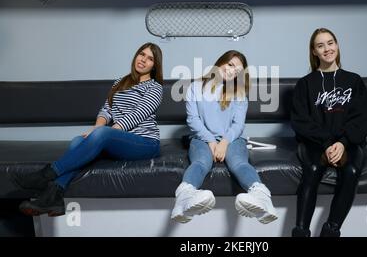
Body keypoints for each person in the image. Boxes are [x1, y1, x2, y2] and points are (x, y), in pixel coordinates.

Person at [12, 43, 164, 217]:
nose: (143, 60)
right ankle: (54, 197)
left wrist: (107, 133)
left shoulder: (155, 87)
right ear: (136, 55)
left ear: (155, 65)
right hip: (120, 139)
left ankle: (47, 174)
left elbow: (138, 114)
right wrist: (97, 128)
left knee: (102, 134)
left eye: (150, 58)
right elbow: (107, 110)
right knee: (78, 141)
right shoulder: (120, 82)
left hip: (145, 143)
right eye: (141, 54)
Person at [171, 50, 278, 224]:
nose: (232, 71)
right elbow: (193, 119)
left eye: (238, 71)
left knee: (239, 163)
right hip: (202, 138)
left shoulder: (239, 92)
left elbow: (238, 125)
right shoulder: (196, 87)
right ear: (221, 62)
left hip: (232, 139)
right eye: (230, 65)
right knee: (201, 163)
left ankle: (262, 198)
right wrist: (211, 141)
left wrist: (224, 143)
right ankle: (184, 198)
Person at [290, 28, 367, 237]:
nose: (327, 49)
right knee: (314, 169)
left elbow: (363, 119)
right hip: (315, 143)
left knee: (351, 171)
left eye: (330, 43)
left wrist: (343, 142)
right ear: (314, 52)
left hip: (348, 143)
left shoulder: (354, 81)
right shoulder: (305, 84)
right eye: (320, 45)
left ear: (337, 45)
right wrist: (326, 143)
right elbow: (301, 122)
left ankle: (330, 231)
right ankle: (301, 232)